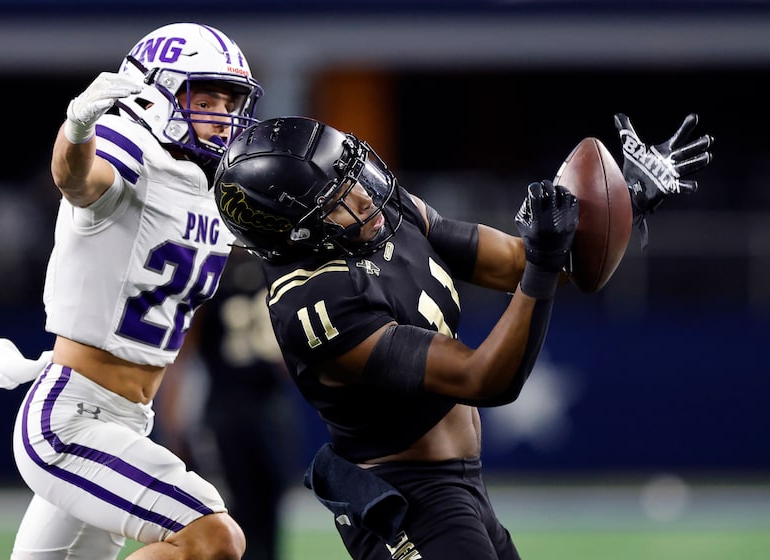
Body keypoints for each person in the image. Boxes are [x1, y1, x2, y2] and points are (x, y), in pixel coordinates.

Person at [211, 115, 713, 559]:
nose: (365, 195)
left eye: (353, 173)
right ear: (295, 232)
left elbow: (519, 261)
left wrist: (616, 203)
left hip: (463, 486)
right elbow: (485, 379)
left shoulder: (387, 213)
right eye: (338, 198)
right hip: (407, 502)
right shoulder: (316, 302)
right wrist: (542, 260)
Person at [0, 22, 264, 560]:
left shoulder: (211, 187)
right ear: (156, 92)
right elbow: (75, 180)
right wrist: (77, 127)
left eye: (231, 99)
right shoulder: (131, 146)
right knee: (214, 537)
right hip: (73, 419)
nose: (223, 112)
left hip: (124, 419)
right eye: (206, 96)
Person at [159, 247, 304, 560]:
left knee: (256, 507)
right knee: (245, 509)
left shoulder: (211, 276)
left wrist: (173, 422)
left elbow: (181, 358)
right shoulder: (276, 270)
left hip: (244, 409)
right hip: (256, 409)